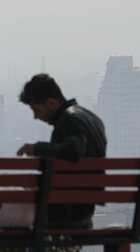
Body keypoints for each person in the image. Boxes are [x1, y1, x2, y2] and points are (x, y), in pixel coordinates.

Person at [17, 73, 107, 250]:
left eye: (37, 110)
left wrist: (36, 148)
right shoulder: (91, 118)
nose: (36, 117)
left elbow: (74, 150)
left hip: (67, 213)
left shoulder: (70, 120)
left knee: (15, 220)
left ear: (51, 102)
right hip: (84, 211)